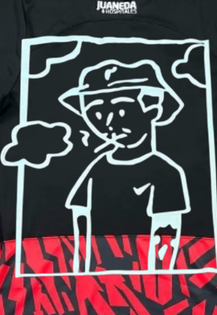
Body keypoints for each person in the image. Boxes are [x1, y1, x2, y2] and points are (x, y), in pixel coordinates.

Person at [59, 59, 191, 273]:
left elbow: (166, 235)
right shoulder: (96, 168)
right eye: (97, 113)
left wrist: (158, 276)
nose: (108, 123)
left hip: (146, 279)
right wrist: (81, 269)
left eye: (120, 111)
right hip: (95, 276)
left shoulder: (167, 173)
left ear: (153, 107)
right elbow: (80, 218)